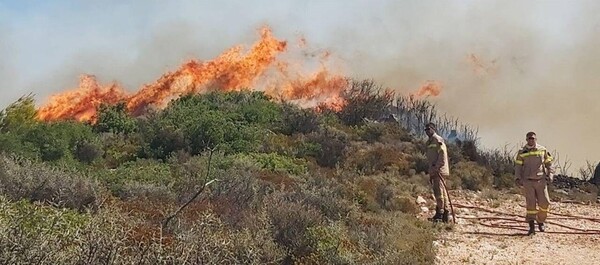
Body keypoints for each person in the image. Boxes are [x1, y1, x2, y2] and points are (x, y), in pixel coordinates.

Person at [514, 131, 554, 235]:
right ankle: (531, 227)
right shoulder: (522, 152)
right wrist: (517, 178)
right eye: (529, 139)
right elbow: (518, 167)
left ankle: (540, 221)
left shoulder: (542, 150)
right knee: (531, 205)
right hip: (528, 182)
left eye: (533, 138)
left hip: (541, 181)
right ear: (526, 140)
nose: (531, 140)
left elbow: (549, 163)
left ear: (536, 139)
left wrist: (550, 175)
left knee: (545, 203)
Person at [424, 122, 450, 222]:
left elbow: (442, 156)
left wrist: (437, 167)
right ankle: (444, 215)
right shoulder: (429, 142)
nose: (427, 131)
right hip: (434, 171)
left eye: (429, 129)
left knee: (439, 193)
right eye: (426, 130)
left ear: (433, 129)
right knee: (441, 192)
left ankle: (441, 214)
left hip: (439, 171)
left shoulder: (437, 140)